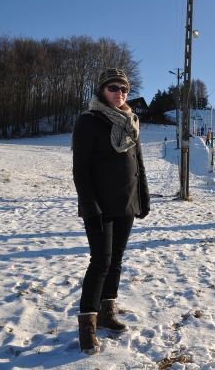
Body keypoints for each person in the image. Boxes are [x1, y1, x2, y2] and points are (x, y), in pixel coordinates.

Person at [72, 68, 150, 355]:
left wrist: (143, 197)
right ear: (102, 90)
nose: (120, 93)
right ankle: (87, 326)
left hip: (126, 202)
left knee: (116, 260)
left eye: (124, 89)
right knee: (101, 261)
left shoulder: (131, 120)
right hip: (100, 205)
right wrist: (90, 207)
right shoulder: (89, 121)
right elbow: (80, 169)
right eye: (113, 88)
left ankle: (107, 313)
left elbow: (138, 164)